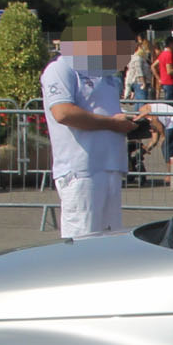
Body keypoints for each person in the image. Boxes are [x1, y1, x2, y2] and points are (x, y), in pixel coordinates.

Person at [43, 14, 152, 238]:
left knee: (108, 247)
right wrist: (113, 124)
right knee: (83, 245)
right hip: (81, 171)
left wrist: (130, 120)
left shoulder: (107, 75)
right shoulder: (61, 68)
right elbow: (62, 113)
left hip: (109, 167)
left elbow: (106, 113)